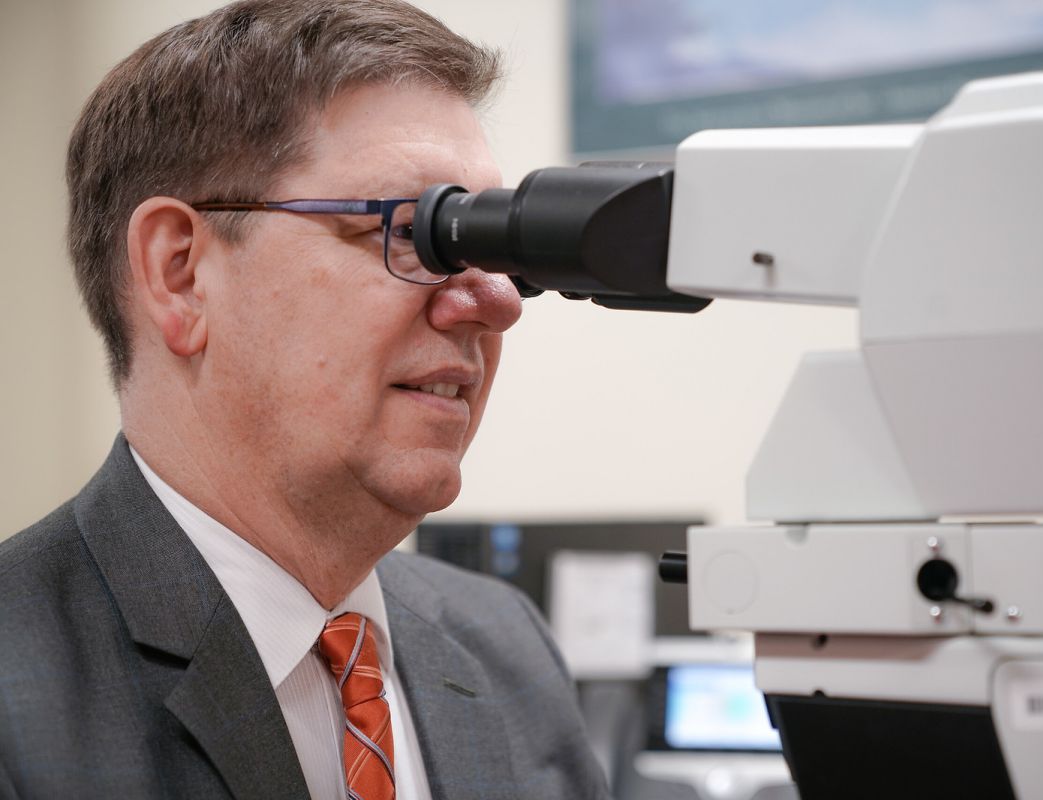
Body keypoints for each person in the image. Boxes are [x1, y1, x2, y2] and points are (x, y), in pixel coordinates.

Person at [0, 2, 610, 798]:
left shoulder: (506, 648)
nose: (495, 301)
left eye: (495, 247)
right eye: (418, 233)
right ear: (182, 273)